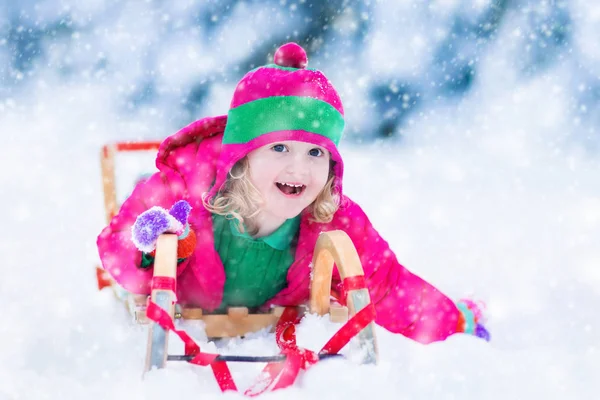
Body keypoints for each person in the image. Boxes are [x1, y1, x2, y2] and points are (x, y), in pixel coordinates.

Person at [97, 42, 489, 344]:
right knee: (149, 215)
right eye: (280, 148)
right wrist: (149, 248)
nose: (299, 169)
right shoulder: (184, 187)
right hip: (189, 276)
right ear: (242, 155)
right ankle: (139, 190)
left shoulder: (331, 218)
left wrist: (454, 321)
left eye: (316, 152)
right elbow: (117, 246)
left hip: (263, 309)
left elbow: (386, 285)